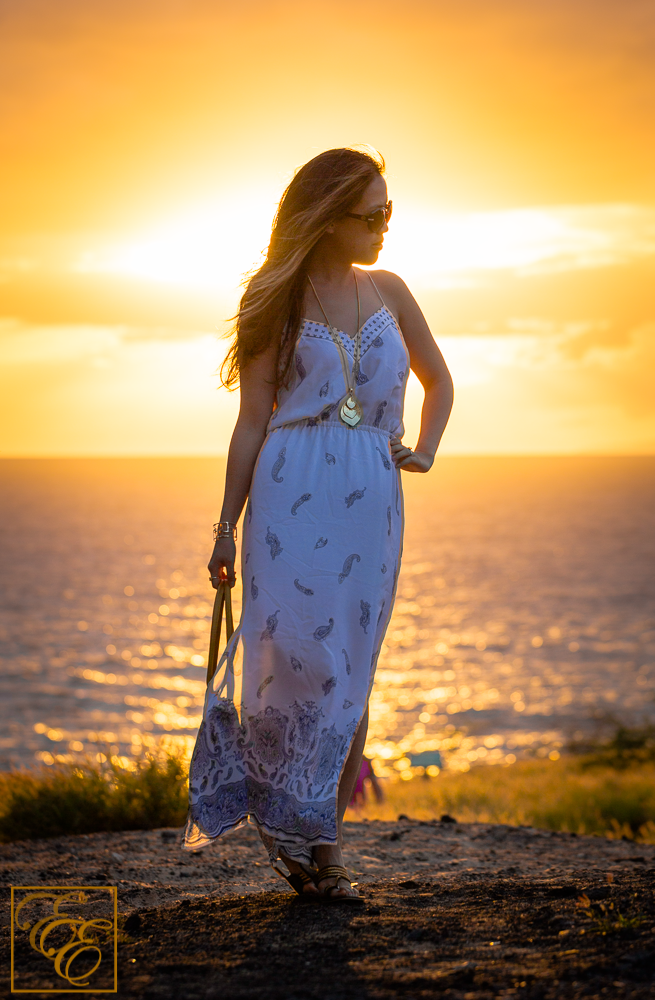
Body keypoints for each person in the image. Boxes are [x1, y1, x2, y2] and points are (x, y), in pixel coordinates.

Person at [182, 147, 453, 903]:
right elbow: (248, 422)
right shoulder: (274, 298)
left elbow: (439, 378)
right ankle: (283, 823)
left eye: (388, 211)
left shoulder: (391, 290)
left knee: (351, 666)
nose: (384, 226)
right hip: (286, 485)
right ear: (327, 218)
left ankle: (325, 845)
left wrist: (424, 450)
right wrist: (225, 527)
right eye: (372, 215)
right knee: (292, 656)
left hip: (371, 493)